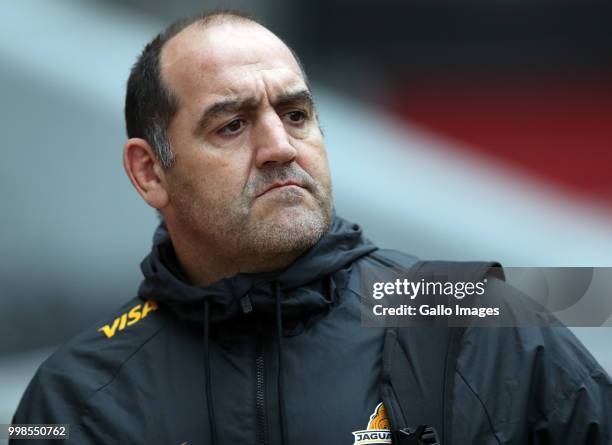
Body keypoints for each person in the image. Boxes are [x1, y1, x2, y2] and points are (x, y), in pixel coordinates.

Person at [12, 10, 611, 445]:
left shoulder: (473, 313)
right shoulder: (73, 399)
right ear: (150, 172)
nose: (280, 147)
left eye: (296, 114)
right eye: (231, 126)